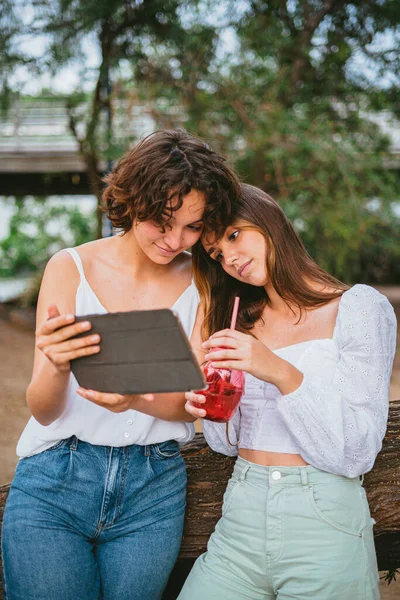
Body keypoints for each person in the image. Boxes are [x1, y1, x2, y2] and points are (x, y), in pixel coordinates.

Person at [1, 129, 240, 600]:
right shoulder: (69, 268)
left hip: (154, 490)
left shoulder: (203, 280)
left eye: (192, 227)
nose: (176, 240)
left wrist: (135, 398)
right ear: (134, 202)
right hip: (55, 478)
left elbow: (188, 406)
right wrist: (54, 364)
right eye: (163, 220)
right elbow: (45, 410)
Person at [180, 183, 397, 600]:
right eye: (217, 254)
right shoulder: (240, 321)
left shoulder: (357, 308)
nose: (231, 259)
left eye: (233, 235)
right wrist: (214, 406)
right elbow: (227, 445)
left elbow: (356, 452)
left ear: (268, 220)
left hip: (323, 525)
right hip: (240, 516)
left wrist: (278, 370)